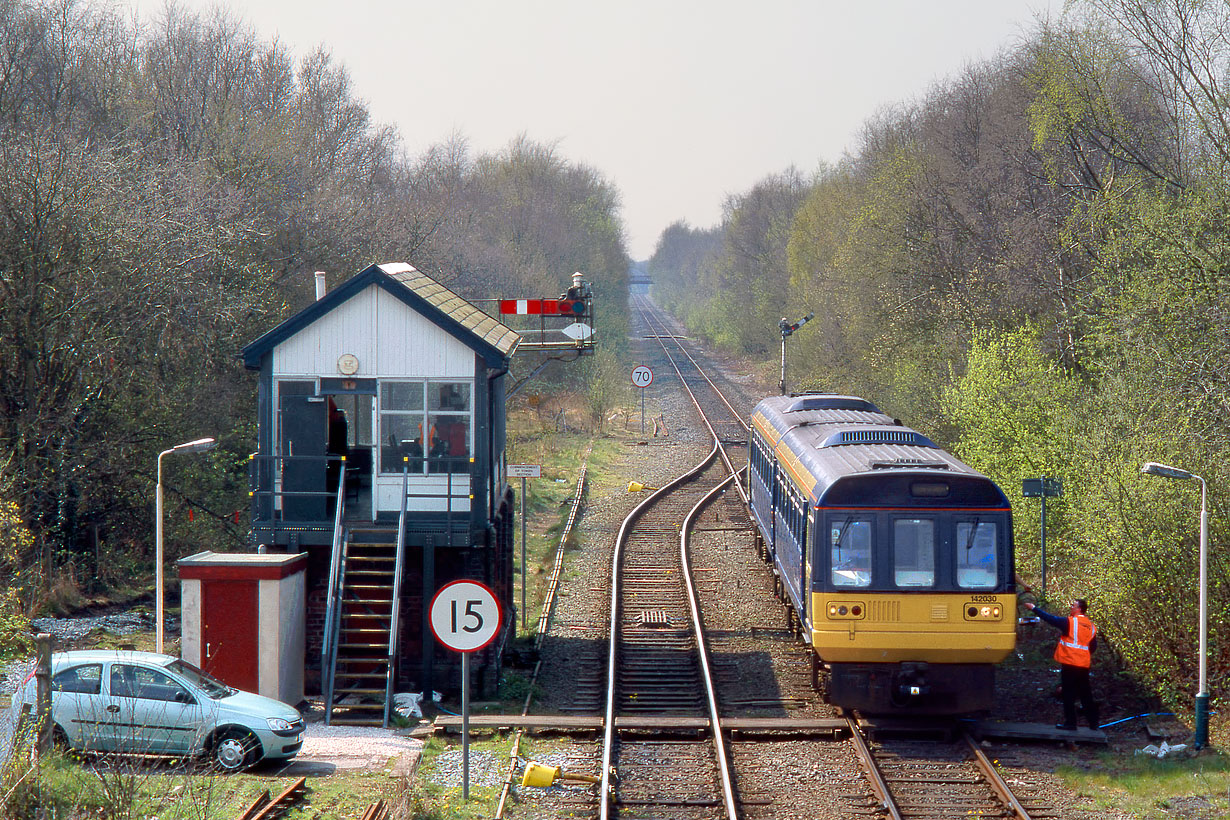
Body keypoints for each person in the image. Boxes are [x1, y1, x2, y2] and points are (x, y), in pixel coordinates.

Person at [1024, 599, 1100, 731]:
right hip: (1083, 665)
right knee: (1086, 694)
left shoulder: (1070, 622)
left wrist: (1034, 608)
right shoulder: (1091, 626)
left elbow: (1050, 619)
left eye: (1073, 605)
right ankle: (1093, 723)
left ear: (1079, 609)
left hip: (1070, 663)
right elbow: (1093, 647)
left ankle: (1071, 723)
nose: (1071, 607)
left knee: (1068, 693)